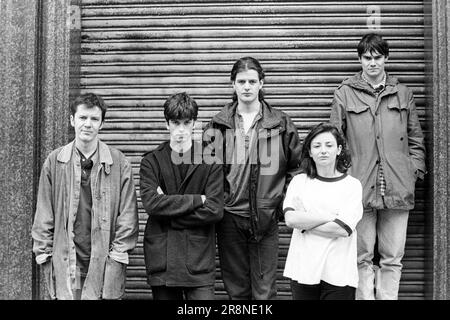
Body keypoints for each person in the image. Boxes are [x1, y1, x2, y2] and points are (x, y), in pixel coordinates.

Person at [330, 33, 426, 300]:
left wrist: (413, 171)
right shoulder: (344, 94)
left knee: (392, 258)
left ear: (386, 58)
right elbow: (334, 138)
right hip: (359, 188)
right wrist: (343, 179)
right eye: (366, 58)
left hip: (397, 187)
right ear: (360, 59)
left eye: (377, 57)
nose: (372, 63)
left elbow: (416, 138)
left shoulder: (403, 94)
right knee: (361, 257)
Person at [204, 56, 302, 300]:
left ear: (261, 84)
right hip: (229, 217)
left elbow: (297, 169)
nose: (246, 86)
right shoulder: (218, 125)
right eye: (241, 81)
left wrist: (279, 205)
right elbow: (207, 171)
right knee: (236, 290)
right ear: (232, 85)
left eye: (251, 81)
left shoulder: (280, 123)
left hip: (265, 218)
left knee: (265, 291)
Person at [31, 93, 139, 300]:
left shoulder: (119, 163)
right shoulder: (54, 162)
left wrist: (116, 255)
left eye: (94, 119)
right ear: (72, 120)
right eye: (82, 118)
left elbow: (128, 218)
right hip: (69, 262)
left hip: (104, 263)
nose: (88, 124)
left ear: (102, 124)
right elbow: (44, 213)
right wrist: (44, 254)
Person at [139, 92, 224, 300]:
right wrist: (198, 199)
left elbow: (215, 210)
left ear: (194, 123)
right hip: (163, 260)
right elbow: (152, 205)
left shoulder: (210, 162)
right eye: (175, 123)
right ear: (166, 124)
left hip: (198, 260)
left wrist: (168, 211)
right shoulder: (151, 161)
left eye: (186, 123)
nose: (181, 130)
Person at [283, 123, 363, 300]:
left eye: (329, 145)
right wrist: (331, 217)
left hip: (339, 274)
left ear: (339, 149)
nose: (323, 151)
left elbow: (342, 229)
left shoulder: (352, 186)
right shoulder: (299, 182)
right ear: (310, 152)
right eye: (317, 146)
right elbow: (290, 220)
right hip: (304, 270)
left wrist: (305, 222)